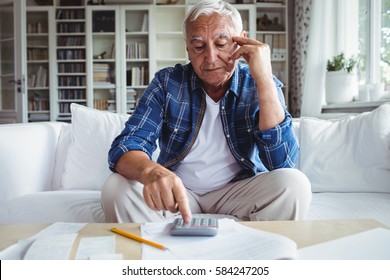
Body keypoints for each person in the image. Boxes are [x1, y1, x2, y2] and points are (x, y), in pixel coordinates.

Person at [101, 0, 311, 224]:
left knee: (294, 184)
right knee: (116, 188)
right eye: (199, 47)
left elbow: (282, 163)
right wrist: (153, 173)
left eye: (221, 44)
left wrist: (264, 79)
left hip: (239, 191)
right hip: (179, 191)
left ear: (241, 41)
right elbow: (126, 146)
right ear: (187, 48)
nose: (210, 58)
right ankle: (158, 256)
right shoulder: (167, 82)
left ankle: (255, 254)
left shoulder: (261, 82)